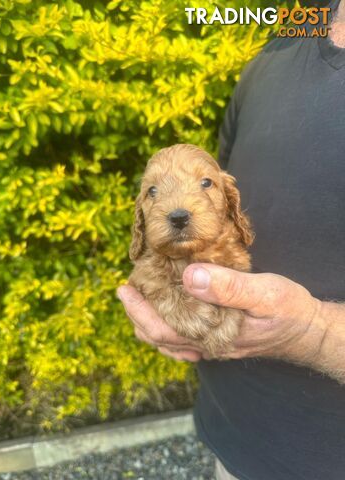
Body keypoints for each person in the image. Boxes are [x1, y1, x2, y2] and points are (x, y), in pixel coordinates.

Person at [117, 1, 345, 478]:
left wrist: (316, 331)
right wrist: (170, 311)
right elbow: (214, 186)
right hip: (229, 441)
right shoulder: (290, 28)